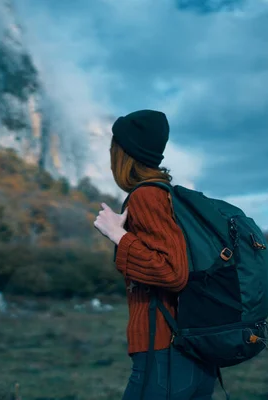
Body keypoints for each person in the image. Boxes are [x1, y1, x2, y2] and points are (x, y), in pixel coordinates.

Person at [93, 110, 217, 399]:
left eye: (113, 148)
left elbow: (171, 272)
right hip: (189, 354)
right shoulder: (170, 197)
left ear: (123, 155)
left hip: (166, 352)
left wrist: (117, 235)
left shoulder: (147, 196)